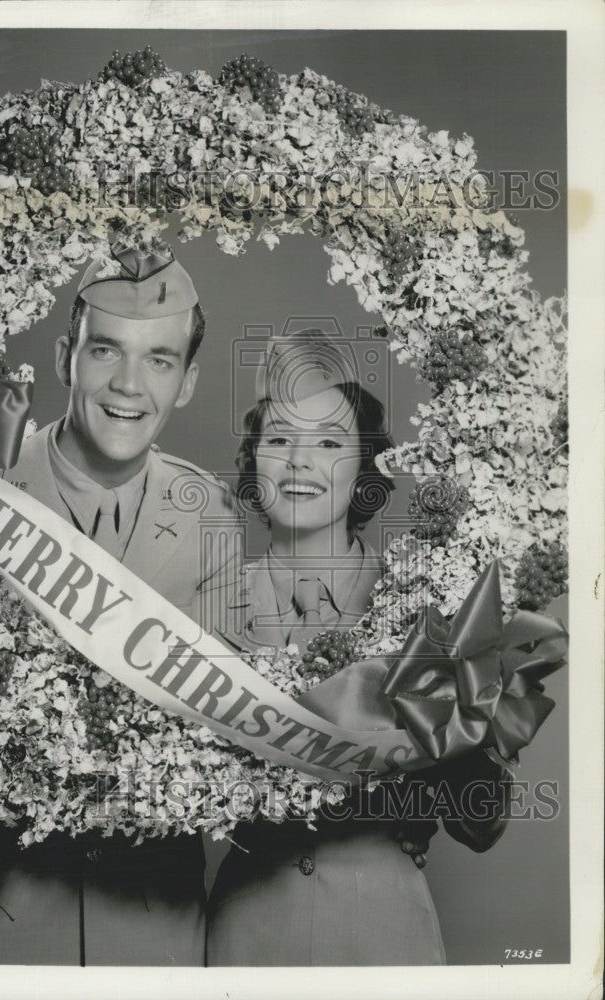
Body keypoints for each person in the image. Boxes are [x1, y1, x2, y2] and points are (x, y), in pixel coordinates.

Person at [0, 241, 240, 966]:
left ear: (186, 381)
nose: (129, 384)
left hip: (152, 913)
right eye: (105, 351)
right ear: (66, 354)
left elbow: (235, 717)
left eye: (159, 359)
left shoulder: (210, 516)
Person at [205, 329, 508, 966]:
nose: (299, 463)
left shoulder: (427, 605)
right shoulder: (206, 609)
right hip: (247, 928)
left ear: (366, 465)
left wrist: (453, 731)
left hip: (385, 924)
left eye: (330, 443)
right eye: (279, 438)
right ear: (253, 457)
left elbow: (484, 820)